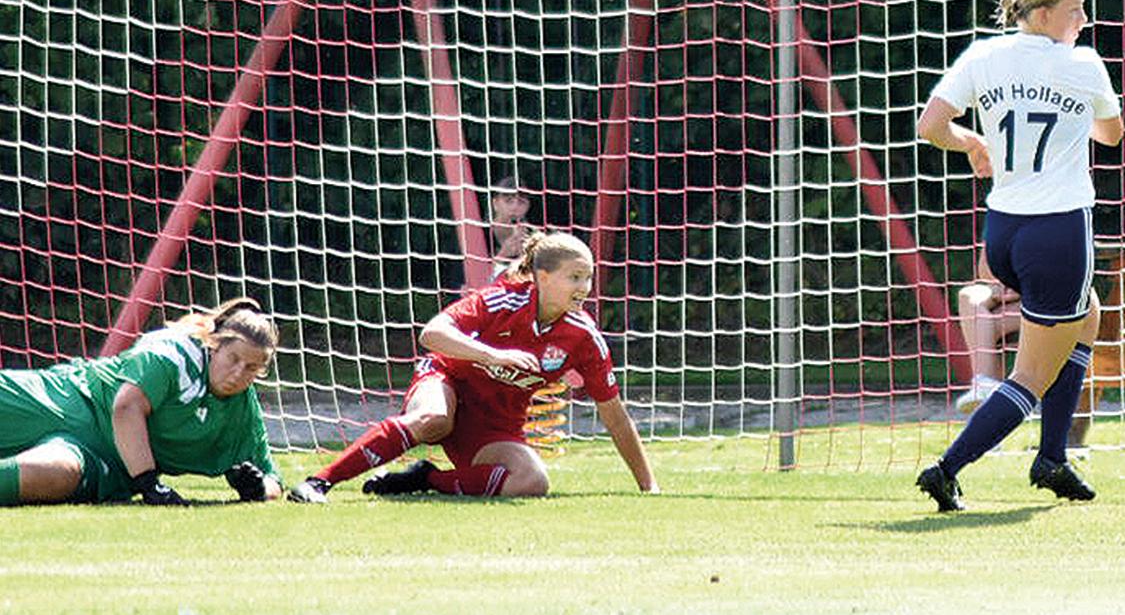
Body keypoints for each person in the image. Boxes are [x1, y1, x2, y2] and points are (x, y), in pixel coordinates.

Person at [914, 0, 1122, 512]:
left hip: (1003, 231)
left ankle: (1053, 458)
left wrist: (973, 143)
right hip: (1058, 233)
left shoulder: (984, 55)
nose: (1084, 19)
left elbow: (930, 127)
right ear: (1045, 13)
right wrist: (1074, 112)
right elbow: (1111, 134)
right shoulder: (1083, 63)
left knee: (1087, 317)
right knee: (1031, 373)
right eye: (1076, 9)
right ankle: (947, 469)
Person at [288, 229, 657, 502]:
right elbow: (432, 334)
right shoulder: (502, 301)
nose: (585, 286)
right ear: (543, 277)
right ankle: (319, 482)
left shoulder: (583, 336)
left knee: (532, 481)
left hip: (494, 423)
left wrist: (648, 487)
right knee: (434, 417)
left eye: (588, 277)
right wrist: (493, 355)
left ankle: (425, 479)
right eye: (575, 277)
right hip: (445, 380)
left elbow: (614, 415)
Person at [0, 297, 282, 505]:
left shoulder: (242, 410)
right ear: (215, 345)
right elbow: (127, 406)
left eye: (251, 368)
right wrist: (149, 484)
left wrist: (258, 488)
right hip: (69, 399)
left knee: (54, 475)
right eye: (233, 359)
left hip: (101, 461)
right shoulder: (174, 352)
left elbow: (273, 480)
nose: (238, 373)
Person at [953, 249, 1022, 413]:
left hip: (1044, 295)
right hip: (1004, 289)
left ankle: (992, 394)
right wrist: (1001, 285)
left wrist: (1018, 287)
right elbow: (984, 270)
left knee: (981, 327)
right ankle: (985, 384)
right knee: (968, 296)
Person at [488, 175, 533, 273]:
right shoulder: (479, 232)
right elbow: (478, 275)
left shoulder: (533, 236)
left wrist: (526, 255)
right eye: (508, 201)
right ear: (495, 204)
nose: (515, 207)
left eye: (521, 202)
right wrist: (503, 254)